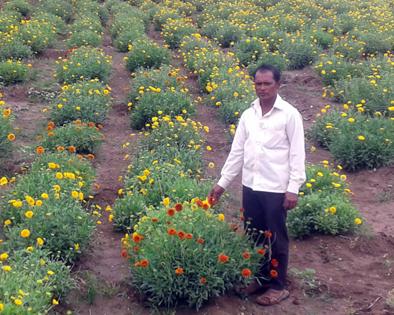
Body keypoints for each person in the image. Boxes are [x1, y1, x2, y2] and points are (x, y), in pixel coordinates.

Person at [208, 64, 306, 306]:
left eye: (267, 84)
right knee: (254, 236)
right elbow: (237, 153)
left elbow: (297, 154)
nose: (262, 88)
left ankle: (278, 285)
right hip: (251, 186)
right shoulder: (248, 114)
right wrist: (222, 183)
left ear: (278, 85)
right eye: (258, 84)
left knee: (277, 239)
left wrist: (293, 187)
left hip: (275, 188)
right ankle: (260, 279)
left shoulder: (289, 115)